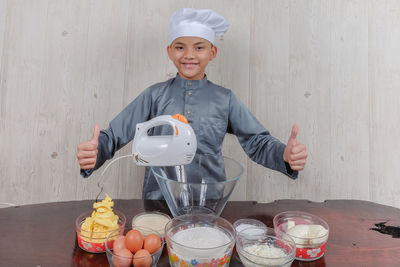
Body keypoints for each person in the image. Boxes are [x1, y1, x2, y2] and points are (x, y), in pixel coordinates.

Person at [77, 8, 308, 200]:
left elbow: (257, 142)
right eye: (180, 47)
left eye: (199, 47)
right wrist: (95, 153)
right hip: (158, 202)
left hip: (210, 202)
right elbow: (113, 136)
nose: (189, 55)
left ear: (212, 52)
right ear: (169, 51)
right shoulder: (154, 95)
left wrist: (284, 155)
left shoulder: (225, 99)